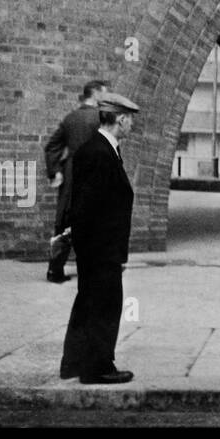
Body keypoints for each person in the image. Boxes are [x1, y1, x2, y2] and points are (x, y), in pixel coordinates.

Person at [59, 92, 138, 384]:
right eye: (130, 120)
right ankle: (97, 367)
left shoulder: (101, 150)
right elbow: (87, 206)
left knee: (87, 302)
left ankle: (74, 363)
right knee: (105, 305)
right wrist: (100, 250)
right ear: (120, 119)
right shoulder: (98, 153)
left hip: (98, 247)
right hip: (101, 249)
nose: (131, 126)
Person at [41, 79, 107, 283]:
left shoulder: (70, 118)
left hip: (71, 177)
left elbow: (51, 146)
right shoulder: (102, 119)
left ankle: (55, 270)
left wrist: (56, 171)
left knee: (65, 223)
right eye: (104, 94)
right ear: (95, 94)